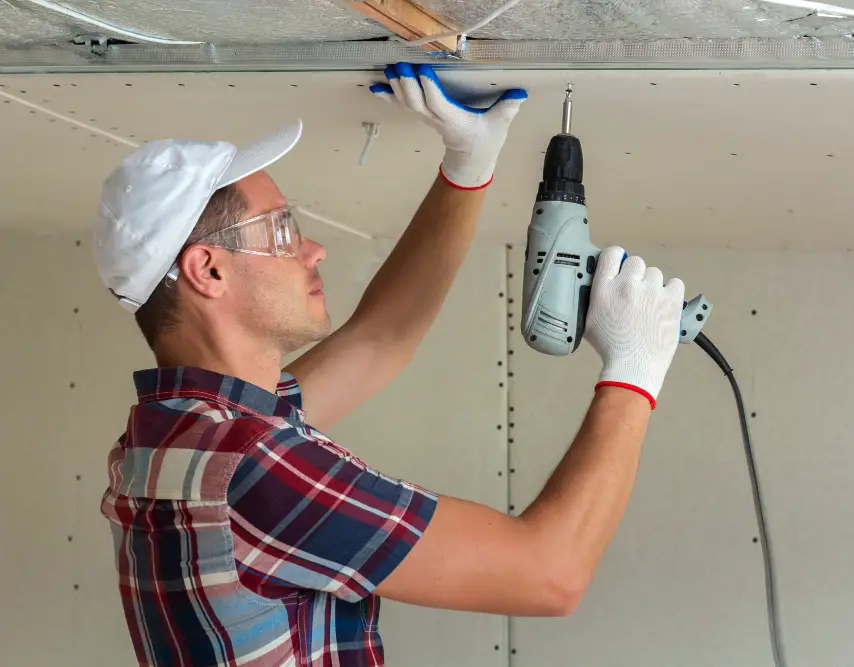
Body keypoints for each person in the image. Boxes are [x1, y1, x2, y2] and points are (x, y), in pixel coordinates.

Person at [92, 63, 685, 667]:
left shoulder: (176, 438)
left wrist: (467, 167)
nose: (313, 249)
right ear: (208, 271)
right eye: (281, 230)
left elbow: (381, 339)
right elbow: (550, 574)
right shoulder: (248, 466)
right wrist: (635, 371)